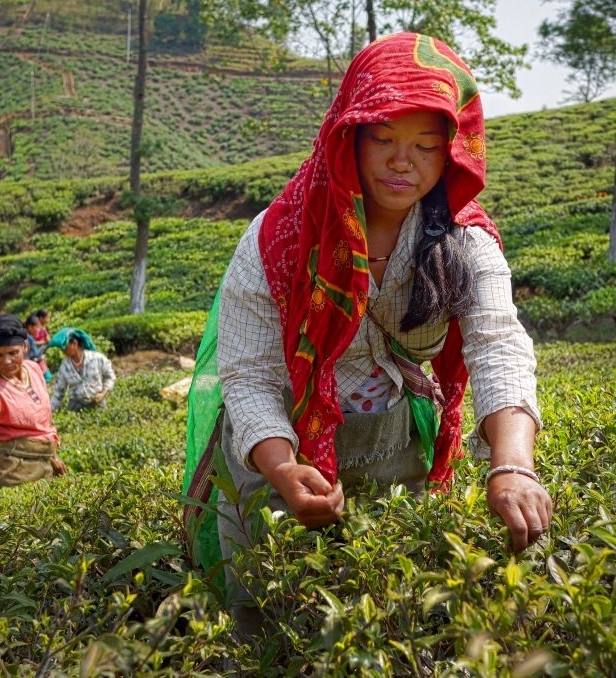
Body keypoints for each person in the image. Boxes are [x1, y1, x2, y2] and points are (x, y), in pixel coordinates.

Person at [184, 33, 552, 632]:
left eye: (426, 146)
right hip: (277, 447)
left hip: (391, 444)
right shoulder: (277, 238)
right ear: (347, 136)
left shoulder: (466, 242)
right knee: (273, 622)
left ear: (453, 154)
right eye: (382, 139)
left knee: (390, 615)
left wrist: (512, 465)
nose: (402, 161)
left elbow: (497, 344)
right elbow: (248, 375)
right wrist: (281, 471)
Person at [0, 314, 68, 490]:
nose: (6, 361)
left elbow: (42, 425)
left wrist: (51, 456)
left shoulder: (34, 370)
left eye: (13, 353)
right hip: (13, 472)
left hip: (46, 465)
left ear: (25, 347)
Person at [47, 328, 116, 412]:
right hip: (75, 409)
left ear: (74, 344)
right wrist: (49, 413)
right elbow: (58, 393)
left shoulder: (97, 358)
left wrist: (103, 393)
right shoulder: (64, 367)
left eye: (65, 348)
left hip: (98, 406)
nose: (63, 351)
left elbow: (110, 377)